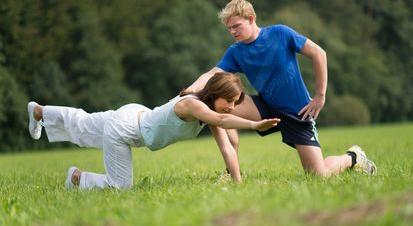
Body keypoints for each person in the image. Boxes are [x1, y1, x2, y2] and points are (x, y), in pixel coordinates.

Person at [186, 0, 377, 177]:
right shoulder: (235, 52)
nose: (233, 32)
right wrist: (191, 90)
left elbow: (319, 53)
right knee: (213, 104)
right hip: (266, 107)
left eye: (236, 26)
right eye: (229, 28)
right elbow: (212, 74)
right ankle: (231, 172)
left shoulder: (280, 33)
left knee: (319, 175)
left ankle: (353, 157)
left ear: (251, 19)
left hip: (299, 112)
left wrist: (320, 96)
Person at [27, 72, 280, 189]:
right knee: (120, 186)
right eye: (231, 101)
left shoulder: (209, 113)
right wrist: (255, 124)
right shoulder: (193, 105)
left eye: (237, 103)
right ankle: (78, 178)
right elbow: (224, 122)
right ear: (215, 95)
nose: (233, 108)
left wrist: (238, 182)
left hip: (134, 114)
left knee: (83, 123)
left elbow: (227, 148)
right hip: (127, 129)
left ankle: (40, 111)